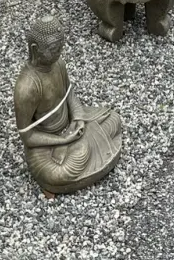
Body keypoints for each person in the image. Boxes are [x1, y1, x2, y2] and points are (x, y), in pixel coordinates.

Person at [13, 14, 124, 194]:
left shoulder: (59, 64)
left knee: (113, 119)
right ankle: (83, 145)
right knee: (57, 173)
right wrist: (63, 140)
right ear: (35, 49)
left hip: (71, 126)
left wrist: (78, 117)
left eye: (61, 47)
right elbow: (27, 136)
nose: (59, 53)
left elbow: (69, 94)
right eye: (54, 49)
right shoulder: (27, 87)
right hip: (47, 144)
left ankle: (83, 142)